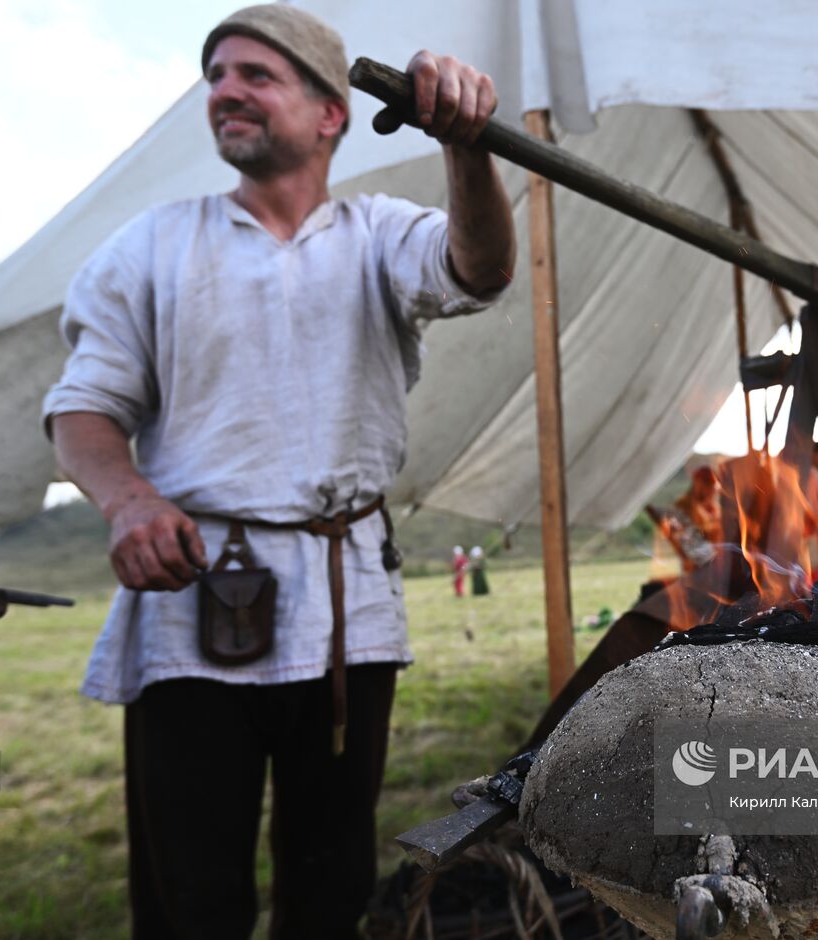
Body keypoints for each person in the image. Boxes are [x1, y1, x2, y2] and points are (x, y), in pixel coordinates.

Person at [40, 6, 515, 937]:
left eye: (257, 74)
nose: (225, 90)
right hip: (191, 600)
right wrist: (127, 499)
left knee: (331, 882)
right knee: (192, 893)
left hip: (345, 610)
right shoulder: (151, 247)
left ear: (330, 111)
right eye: (217, 75)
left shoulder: (381, 234)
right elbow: (83, 405)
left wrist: (468, 147)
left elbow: (480, 269)